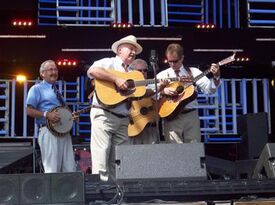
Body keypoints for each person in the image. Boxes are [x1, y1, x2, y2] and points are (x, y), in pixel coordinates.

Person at [87, 35, 143, 181]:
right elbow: (92, 71)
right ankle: (101, 196)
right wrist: (116, 79)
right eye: (130, 48)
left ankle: (116, 195)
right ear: (119, 50)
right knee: (101, 158)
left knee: (119, 161)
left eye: (135, 50)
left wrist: (159, 87)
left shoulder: (133, 73)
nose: (133, 52)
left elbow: (142, 91)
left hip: (123, 120)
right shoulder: (108, 62)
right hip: (104, 115)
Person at [157, 43, 221, 143]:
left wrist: (216, 77)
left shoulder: (193, 72)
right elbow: (151, 93)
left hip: (191, 116)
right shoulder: (163, 74)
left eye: (175, 61)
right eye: (170, 62)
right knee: (173, 151)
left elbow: (210, 90)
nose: (173, 64)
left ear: (182, 58)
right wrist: (162, 90)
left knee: (193, 149)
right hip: (171, 116)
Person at [26, 60, 76, 173]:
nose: (54, 72)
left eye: (55, 69)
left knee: (70, 170)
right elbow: (28, 110)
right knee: (52, 170)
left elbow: (62, 113)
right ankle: (51, 191)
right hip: (48, 132)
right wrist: (46, 114)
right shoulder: (36, 89)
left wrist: (70, 117)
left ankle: (68, 191)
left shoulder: (57, 91)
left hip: (63, 133)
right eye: (51, 70)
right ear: (42, 73)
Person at [128, 59, 158, 144]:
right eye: (139, 70)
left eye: (145, 70)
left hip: (151, 129)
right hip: (134, 128)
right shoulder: (128, 90)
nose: (143, 72)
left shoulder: (153, 86)